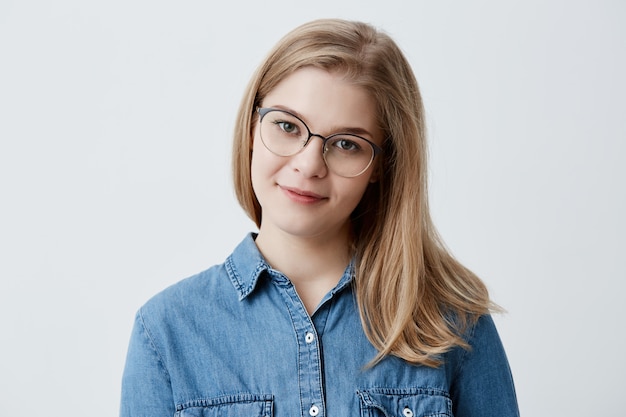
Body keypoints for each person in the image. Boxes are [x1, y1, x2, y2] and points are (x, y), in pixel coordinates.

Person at [120, 18, 519, 417]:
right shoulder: (166, 332)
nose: (309, 165)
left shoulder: (453, 324)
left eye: (347, 144)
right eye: (287, 126)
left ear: (383, 164)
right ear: (250, 130)